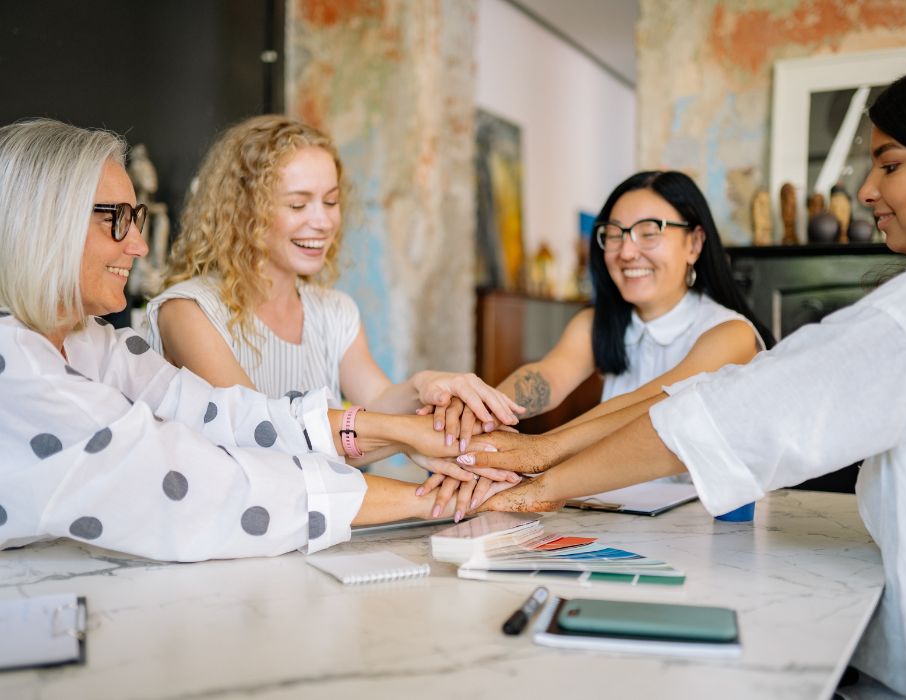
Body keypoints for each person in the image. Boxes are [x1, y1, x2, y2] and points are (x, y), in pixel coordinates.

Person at [467, 52, 906, 699]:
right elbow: (542, 381)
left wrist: (542, 473)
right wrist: (475, 413)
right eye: (612, 234)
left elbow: (717, 409)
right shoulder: (594, 322)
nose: (865, 190)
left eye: (889, 164)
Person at [0, 118, 511, 562]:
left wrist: (412, 422)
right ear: (41, 224)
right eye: (117, 221)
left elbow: (230, 415)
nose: (137, 245)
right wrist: (431, 498)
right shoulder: (21, 361)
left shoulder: (93, 342)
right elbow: (202, 479)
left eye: (331, 201)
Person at [145, 115, 521, 514]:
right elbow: (264, 438)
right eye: (298, 203)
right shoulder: (188, 312)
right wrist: (410, 437)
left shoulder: (335, 311)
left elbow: (376, 400)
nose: (323, 221)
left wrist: (425, 387)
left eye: (331, 200)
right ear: (242, 211)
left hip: (313, 537)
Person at [495, 171, 773, 424]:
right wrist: (482, 409)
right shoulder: (596, 323)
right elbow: (548, 377)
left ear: (694, 244)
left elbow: (645, 408)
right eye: (615, 235)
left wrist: (533, 451)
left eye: (649, 233)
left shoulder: (730, 334)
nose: (626, 252)